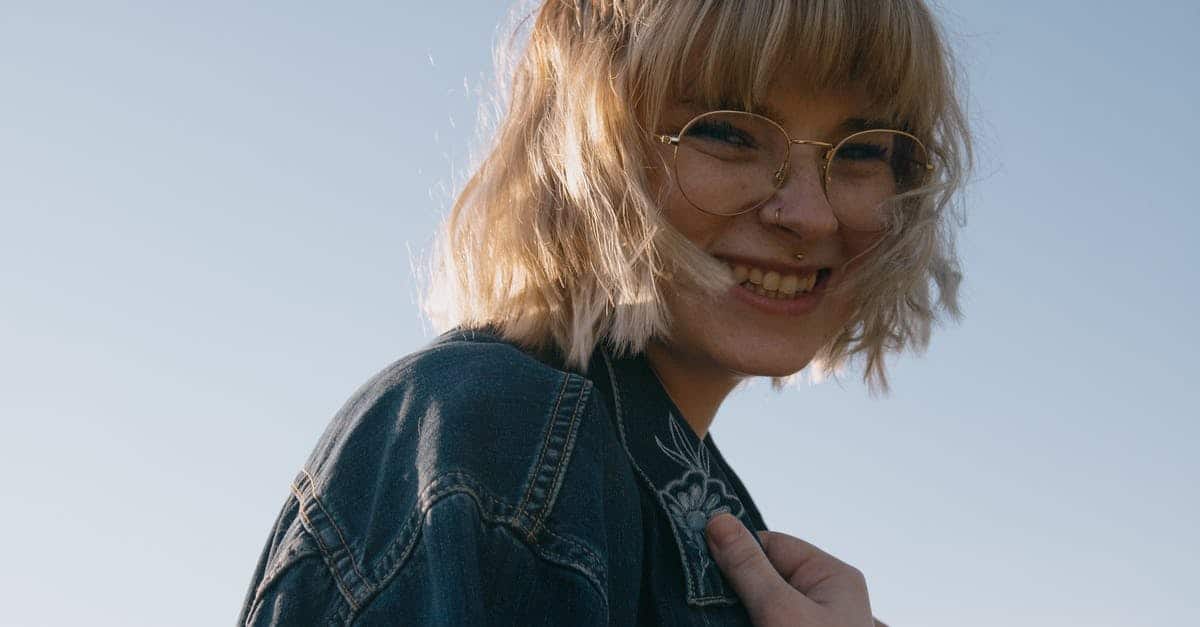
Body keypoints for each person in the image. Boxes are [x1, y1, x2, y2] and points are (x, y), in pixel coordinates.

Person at [237, 0, 971, 624]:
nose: (809, 213)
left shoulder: (677, 501)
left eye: (862, 150)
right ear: (586, 149)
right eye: (727, 131)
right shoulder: (503, 431)